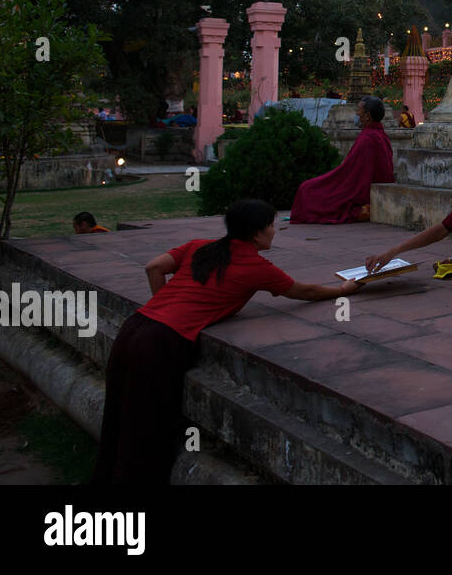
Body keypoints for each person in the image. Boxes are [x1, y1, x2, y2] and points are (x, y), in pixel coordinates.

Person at [91, 199, 362, 484]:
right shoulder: (255, 266)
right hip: (161, 342)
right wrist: (343, 289)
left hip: (135, 326)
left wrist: (162, 307)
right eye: (271, 225)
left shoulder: (199, 246)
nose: (274, 230)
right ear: (257, 233)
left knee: (120, 414)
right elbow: (303, 291)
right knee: (150, 422)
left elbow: (154, 267)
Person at [289, 96, 394, 224]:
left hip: (362, 193)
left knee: (306, 189)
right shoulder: (380, 135)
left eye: (359, 110)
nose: (356, 113)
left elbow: (351, 175)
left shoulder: (368, 138)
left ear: (367, 116)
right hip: (374, 189)